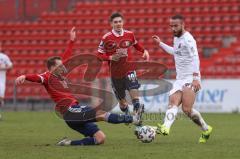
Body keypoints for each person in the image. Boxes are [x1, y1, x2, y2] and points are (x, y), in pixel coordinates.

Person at [15, 27, 143, 146]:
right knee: (101, 114)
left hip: (72, 116)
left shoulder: (59, 74)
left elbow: (66, 55)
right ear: (52, 68)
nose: (63, 67)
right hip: (70, 111)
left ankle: (67, 143)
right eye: (60, 66)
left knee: (100, 138)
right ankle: (132, 119)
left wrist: (71, 41)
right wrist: (25, 76)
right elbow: (37, 77)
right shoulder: (48, 76)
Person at [152, 14, 213, 143]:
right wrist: (160, 44)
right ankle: (165, 127)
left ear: (182, 25)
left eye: (176, 26)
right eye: (171, 26)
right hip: (180, 79)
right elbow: (175, 52)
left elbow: (196, 57)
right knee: (173, 103)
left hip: (191, 78)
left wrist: (196, 78)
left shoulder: (188, 40)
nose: (173, 28)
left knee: (186, 109)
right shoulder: (177, 38)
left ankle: (206, 129)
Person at [97, 12, 149, 117]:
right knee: (123, 103)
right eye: (115, 22)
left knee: (133, 87)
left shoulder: (129, 34)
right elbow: (98, 55)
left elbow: (136, 44)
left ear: (123, 22)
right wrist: (110, 57)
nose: (118, 24)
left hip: (129, 68)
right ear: (111, 24)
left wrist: (144, 51)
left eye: (120, 21)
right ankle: (126, 113)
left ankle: (137, 107)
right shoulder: (106, 38)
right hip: (115, 73)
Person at [0, 42, 13, 119]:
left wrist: (3, 68)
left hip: (1, 81)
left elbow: (10, 66)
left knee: (1, 98)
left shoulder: (4, 57)